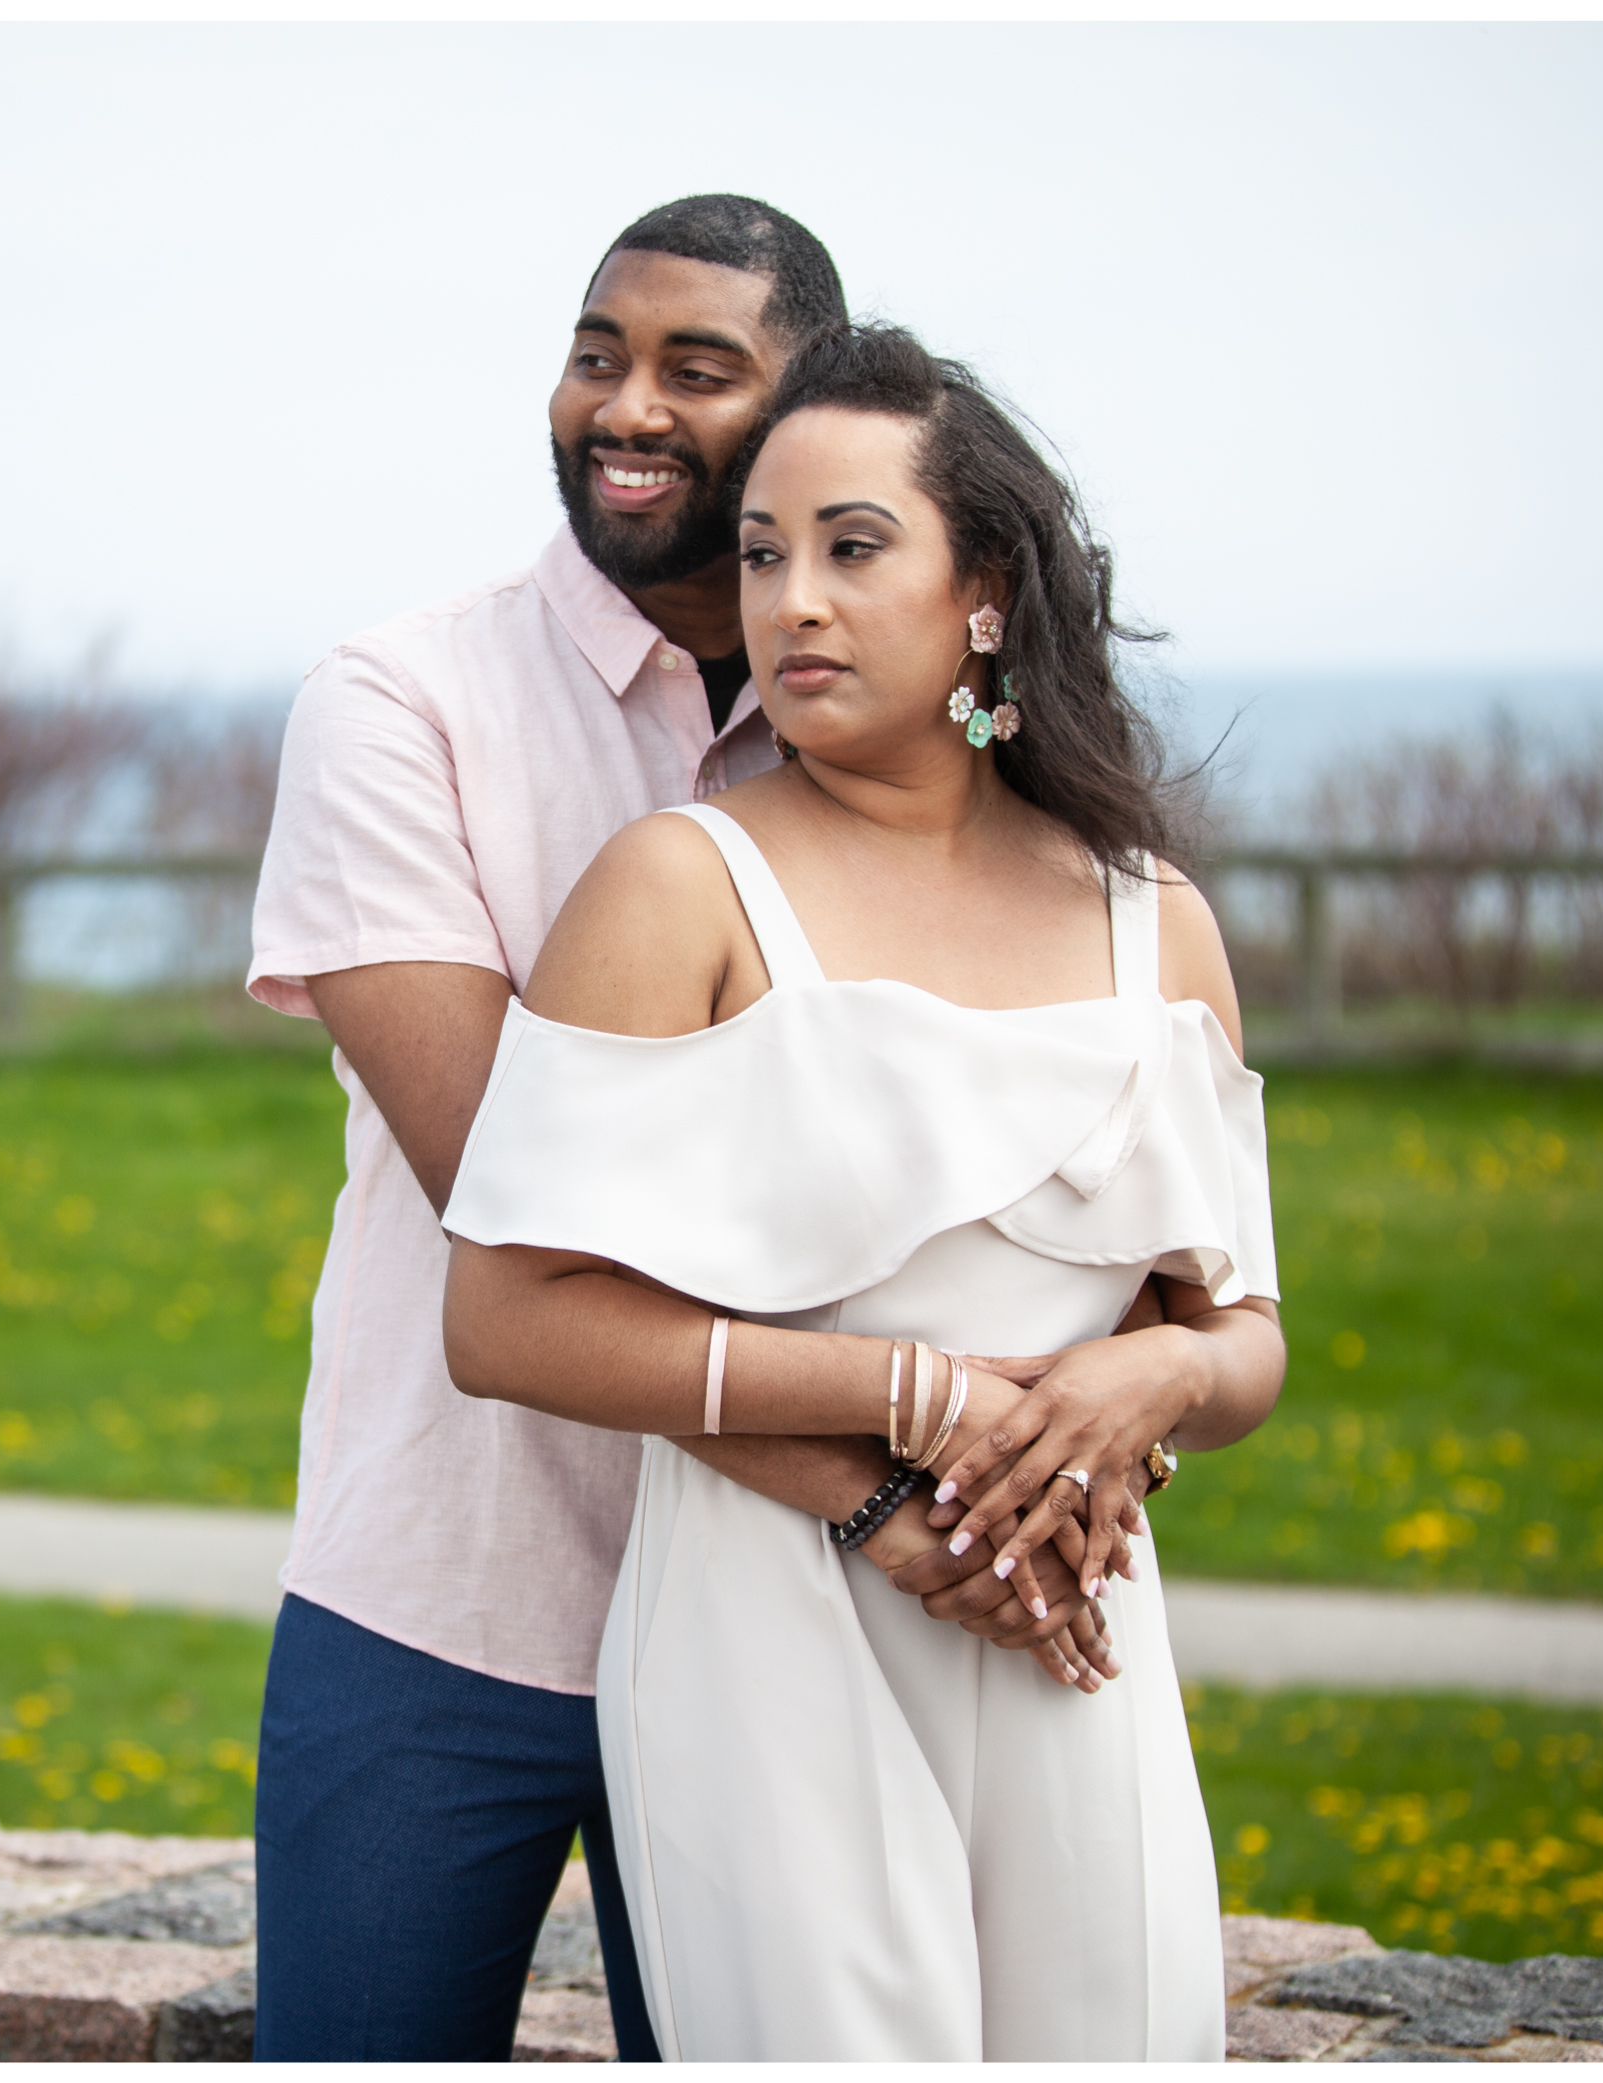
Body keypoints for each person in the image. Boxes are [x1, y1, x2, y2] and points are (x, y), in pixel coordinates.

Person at [239, 199, 1107, 2058]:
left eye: (694, 370)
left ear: (812, 418)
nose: (622, 407)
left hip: (789, 1631)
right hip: (445, 1594)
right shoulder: (405, 707)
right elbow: (525, 1215)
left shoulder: (898, 758)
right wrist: (889, 1482)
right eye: (593, 353)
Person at [437, 323, 1285, 2060]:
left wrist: (1162, 1377)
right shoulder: (682, 886)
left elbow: (1245, 1333)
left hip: (1071, 1630)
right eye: (761, 555)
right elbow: (506, 1320)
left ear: (983, 591)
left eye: (850, 547)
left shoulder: (1153, 922)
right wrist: (915, 1398)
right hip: (770, 1632)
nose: (792, 603)